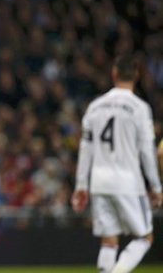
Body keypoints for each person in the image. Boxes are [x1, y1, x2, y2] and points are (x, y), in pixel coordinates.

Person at [71, 55, 163, 273]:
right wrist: (156, 187)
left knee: (109, 242)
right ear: (137, 76)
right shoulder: (140, 108)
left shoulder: (94, 107)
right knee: (145, 238)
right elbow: (147, 152)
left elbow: (86, 149)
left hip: (99, 181)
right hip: (128, 181)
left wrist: (81, 186)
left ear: (113, 74)